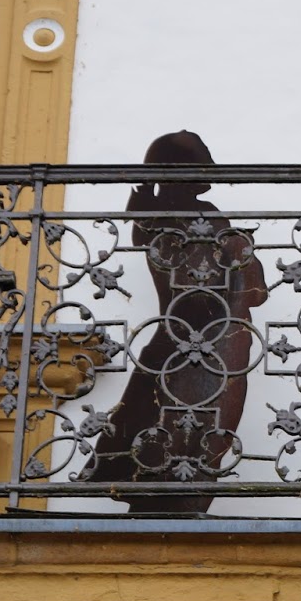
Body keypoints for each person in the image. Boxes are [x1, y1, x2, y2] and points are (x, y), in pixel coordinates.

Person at [87, 130, 267, 513]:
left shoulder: (179, 218)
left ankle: (169, 502)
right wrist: (238, 252)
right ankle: (162, 504)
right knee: (170, 427)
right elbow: (210, 281)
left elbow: (251, 285)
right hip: (195, 338)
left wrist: (240, 256)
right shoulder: (170, 220)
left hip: (201, 338)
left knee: (185, 428)